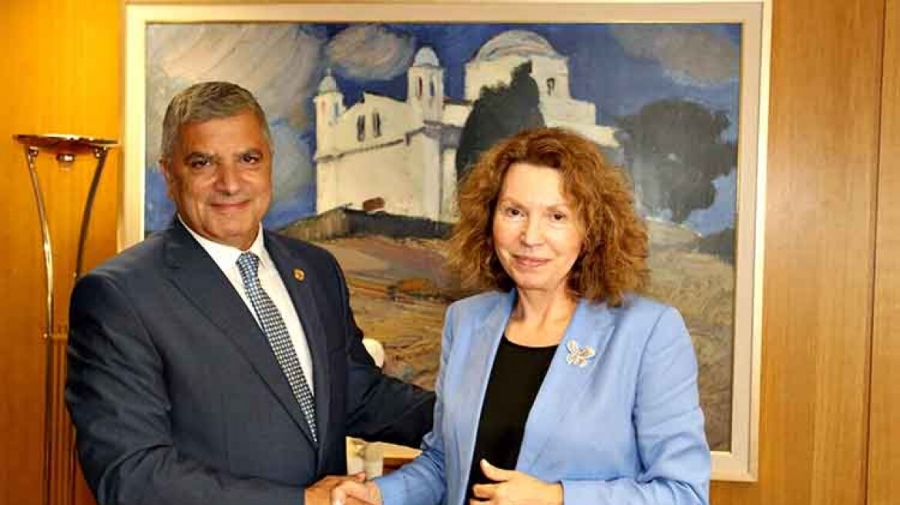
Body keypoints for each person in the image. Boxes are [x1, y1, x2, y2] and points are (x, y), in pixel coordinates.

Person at [65, 81, 435, 505]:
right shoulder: (119, 296)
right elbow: (132, 475)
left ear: (270, 163)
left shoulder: (316, 270)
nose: (230, 183)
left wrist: (479, 421)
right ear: (169, 175)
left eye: (248, 159)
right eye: (203, 163)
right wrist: (303, 502)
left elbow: (357, 394)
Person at [333, 127, 710, 505]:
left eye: (557, 216)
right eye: (514, 212)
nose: (530, 236)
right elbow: (445, 464)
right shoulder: (465, 322)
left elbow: (684, 494)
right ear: (489, 219)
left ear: (591, 228)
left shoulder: (649, 332)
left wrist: (556, 499)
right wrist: (378, 494)